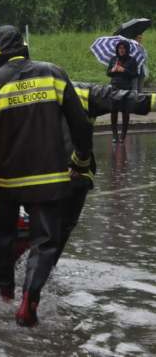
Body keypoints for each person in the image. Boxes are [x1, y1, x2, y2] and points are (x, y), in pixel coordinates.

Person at [0, 25, 92, 326]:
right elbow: (81, 124)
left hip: (5, 180)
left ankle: (6, 294)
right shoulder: (54, 74)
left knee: (2, 236)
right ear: (24, 46)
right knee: (45, 241)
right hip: (49, 177)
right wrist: (81, 161)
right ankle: (29, 298)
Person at [56, 82, 155, 263]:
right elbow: (124, 99)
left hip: (33, 176)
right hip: (75, 175)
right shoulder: (83, 92)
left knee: (42, 234)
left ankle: (18, 281)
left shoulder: (23, 94)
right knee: (59, 233)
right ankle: (38, 281)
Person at [107, 40, 138, 142]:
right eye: (120, 48)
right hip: (114, 87)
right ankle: (114, 135)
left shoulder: (132, 60)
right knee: (113, 111)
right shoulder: (113, 59)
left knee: (125, 111)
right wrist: (112, 70)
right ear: (117, 49)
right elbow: (108, 73)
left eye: (123, 48)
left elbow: (134, 74)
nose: (121, 50)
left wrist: (124, 70)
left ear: (127, 49)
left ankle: (123, 135)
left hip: (126, 88)